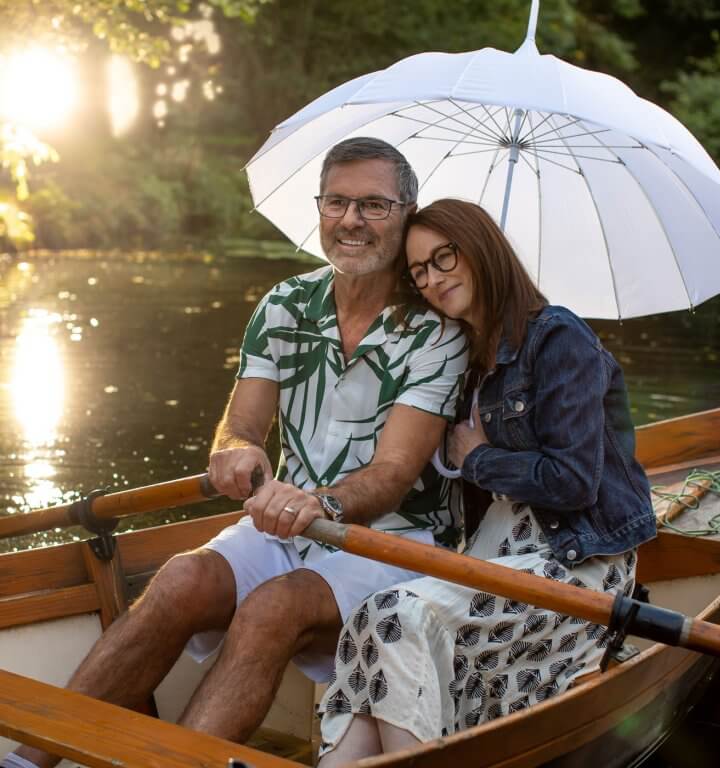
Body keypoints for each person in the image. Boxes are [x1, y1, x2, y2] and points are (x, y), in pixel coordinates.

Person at [2, 140, 468, 768]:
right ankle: (26, 762)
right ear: (320, 208)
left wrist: (318, 501)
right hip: (285, 524)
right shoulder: (283, 306)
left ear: (408, 213)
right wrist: (236, 451)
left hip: (392, 544)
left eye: (375, 205)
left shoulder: (436, 332)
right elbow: (241, 423)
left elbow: (391, 476)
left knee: (273, 608)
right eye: (337, 201)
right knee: (181, 578)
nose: (351, 219)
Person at [316, 198, 657, 764]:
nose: (431, 279)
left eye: (443, 258)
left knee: (391, 614)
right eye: (420, 271)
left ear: (480, 250)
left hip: (572, 560)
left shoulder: (558, 340)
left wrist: (477, 459)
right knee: (384, 617)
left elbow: (573, 482)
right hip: (493, 554)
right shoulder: (469, 360)